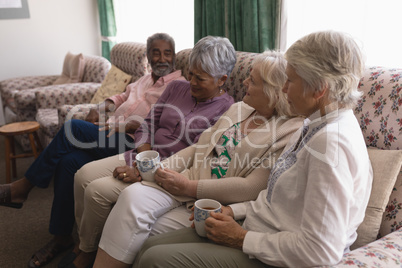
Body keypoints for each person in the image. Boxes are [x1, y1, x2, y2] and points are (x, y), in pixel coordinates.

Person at [132, 30, 374, 268]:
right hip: (255, 228)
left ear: (319, 88)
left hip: (275, 255)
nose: (285, 89)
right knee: (148, 247)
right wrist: (232, 211)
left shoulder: (331, 143)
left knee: (154, 259)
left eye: (290, 80)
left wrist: (240, 238)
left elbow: (320, 250)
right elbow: (276, 201)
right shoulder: (314, 122)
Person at [89, 50, 304, 268]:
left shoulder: (288, 131)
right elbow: (197, 148)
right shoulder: (239, 109)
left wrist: (189, 187)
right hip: (186, 179)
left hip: (211, 201)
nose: (246, 82)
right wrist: (159, 171)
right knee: (131, 196)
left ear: (273, 90)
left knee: (145, 233)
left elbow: (251, 187)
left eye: (253, 80)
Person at [0, 33, 186, 268]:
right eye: (156, 52)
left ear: (174, 57)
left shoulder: (177, 86)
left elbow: (164, 125)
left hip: (133, 143)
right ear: (148, 56)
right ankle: (61, 237)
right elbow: (121, 96)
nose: (162, 58)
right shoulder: (143, 80)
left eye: (167, 53)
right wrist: (102, 106)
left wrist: (126, 125)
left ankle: (23, 187)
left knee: (73, 127)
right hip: (111, 134)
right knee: (68, 161)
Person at [58, 35, 237, 268]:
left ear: (222, 79)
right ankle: (85, 245)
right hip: (142, 155)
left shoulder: (228, 111)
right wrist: (142, 158)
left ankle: (87, 251)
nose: (191, 81)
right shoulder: (176, 87)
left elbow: (197, 158)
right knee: (82, 174)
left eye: (200, 78)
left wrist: (145, 172)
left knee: (95, 191)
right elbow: (147, 125)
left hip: (168, 172)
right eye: (190, 73)